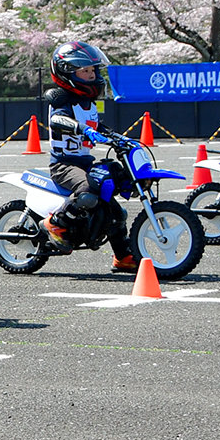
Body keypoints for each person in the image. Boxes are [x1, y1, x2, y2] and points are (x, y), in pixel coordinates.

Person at [40, 40, 138, 273]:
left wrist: (116, 137)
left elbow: (96, 125)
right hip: (64, 165)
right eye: (85, 71)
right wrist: (82, 129)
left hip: (85, 161)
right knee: (88, 193)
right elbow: (58, 121)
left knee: (116, 212)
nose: (92, 75)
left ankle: (122, 257)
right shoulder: (60, 100)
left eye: (93, 70)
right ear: (67, 73)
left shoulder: (88, 103)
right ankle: (55, 223)